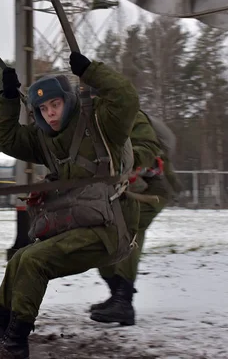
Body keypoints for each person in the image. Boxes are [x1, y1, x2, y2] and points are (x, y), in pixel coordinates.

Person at [0, 52, 141, 358]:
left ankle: (15, 345)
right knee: (19, 260)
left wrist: (93, 72)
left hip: (109, 228)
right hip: (77, 226)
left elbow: (126, 99)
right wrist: (7, 98)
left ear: (68, 100)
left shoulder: (102, 123)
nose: (50, 114)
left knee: (34, 262)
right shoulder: (46, 139)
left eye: (55, 105)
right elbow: (6, 138)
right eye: (42, 109)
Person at [89, 109, 181, 326]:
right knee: (101, 235)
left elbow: (149, 155)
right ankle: (117, 296)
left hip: (154, 186)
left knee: (130, 227)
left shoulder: (130, 119)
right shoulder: (97, 123)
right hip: (128, 185)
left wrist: (138, 167)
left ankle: (123, 301)